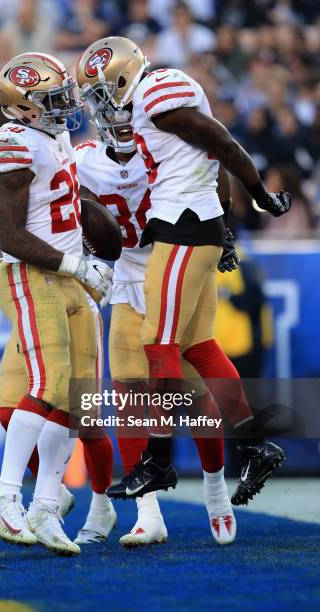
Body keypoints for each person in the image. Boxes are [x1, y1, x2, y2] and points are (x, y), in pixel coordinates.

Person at [76, 36, 290, 505]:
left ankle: (158, 459)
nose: (101, 107)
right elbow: (210, 159)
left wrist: (260, 195)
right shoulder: (145, 107)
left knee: (159, 343)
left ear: (122, 78)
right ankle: (255, 444)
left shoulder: (156, 95)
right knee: (199, 345)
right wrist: (228, 221)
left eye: (101, 92)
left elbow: (223, 146)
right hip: (189, 223)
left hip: (184, 224)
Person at [0, 51, 113, 555]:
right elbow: (11, 234)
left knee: (76, 400)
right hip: (34, 273)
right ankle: (5, 498)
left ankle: (45, 504)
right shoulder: (8, 143)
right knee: (49, 382)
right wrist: (76, 265)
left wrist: (88, 258)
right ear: (23, 107)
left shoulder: (52, 136)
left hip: (69, 276)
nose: (64, 105)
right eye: (52, 98)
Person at [74, 132, 236, 543]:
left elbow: (217, 175)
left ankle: (216, 492)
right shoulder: (85, 159)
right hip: (129, 279)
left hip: (181, 273)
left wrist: (222, 226)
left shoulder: (170, 139)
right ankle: (148, 513)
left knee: (194, 394)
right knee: (129, 395)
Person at [0, 199, 116, 547]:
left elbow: (104, 228)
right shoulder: (6, 181)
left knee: (81, 417)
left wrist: (99, 263)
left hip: (71, 296)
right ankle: (47, 494)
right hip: (29, 299)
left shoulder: (62, 168)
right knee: (10, 410)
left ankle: (101, 506)